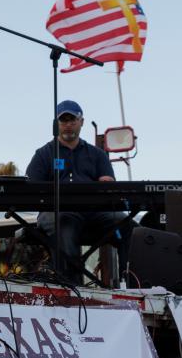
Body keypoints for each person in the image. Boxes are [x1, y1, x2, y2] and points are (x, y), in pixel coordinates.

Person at [24, 100, 133, 282]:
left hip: (94, 213)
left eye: (72, 120)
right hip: (57, 213)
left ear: (81, 122)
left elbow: (111, 189)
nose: (68, 125)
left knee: (127, 223)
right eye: (63, 120)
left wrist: (106, 185)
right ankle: (71, 290)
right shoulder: (43, 154)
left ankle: (130, 282)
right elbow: (32, 191)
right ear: (56, 124)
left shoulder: (97, 155)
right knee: (65, 221)